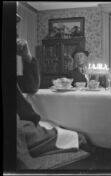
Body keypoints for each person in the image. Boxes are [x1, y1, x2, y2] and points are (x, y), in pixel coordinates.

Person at [16, 13, 95, 169]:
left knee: (73, 134)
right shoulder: (70, 73)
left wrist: (27, 57)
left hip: (28, 126)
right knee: (79, 138)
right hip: (22, 131)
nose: (17, 34)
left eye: (16, 29)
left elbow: (31, 87)